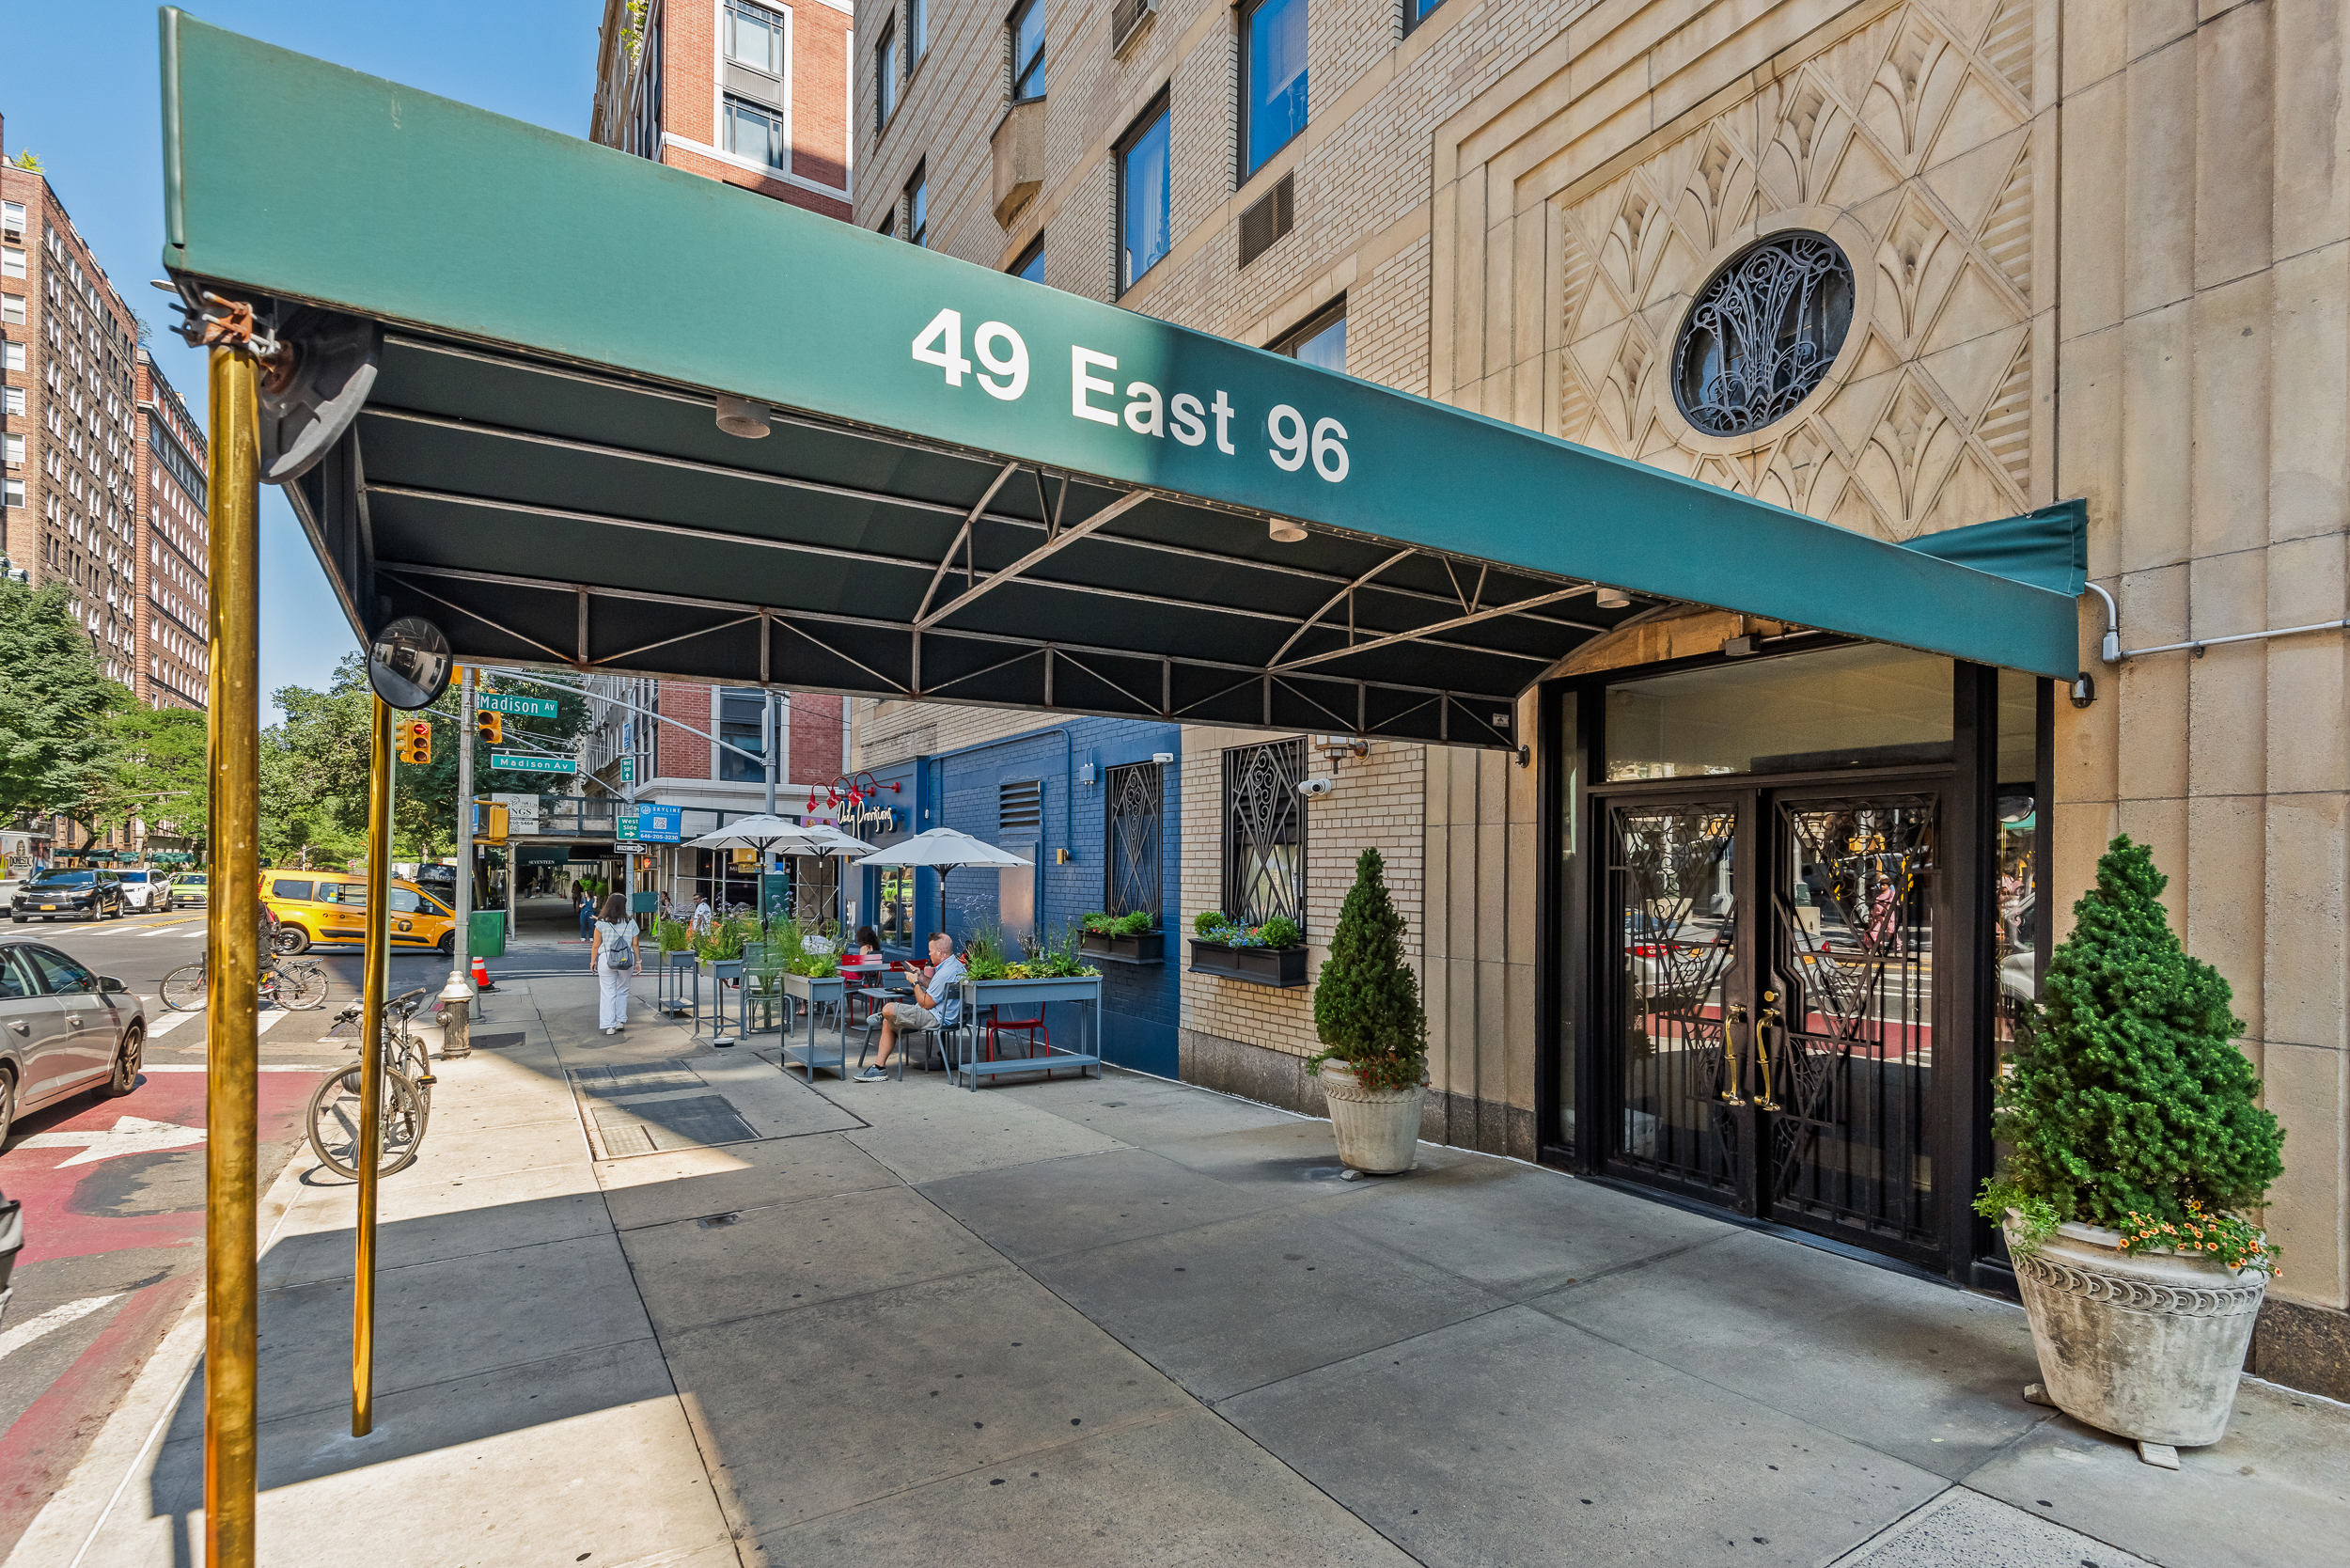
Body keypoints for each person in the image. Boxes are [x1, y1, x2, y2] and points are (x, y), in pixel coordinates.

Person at [856, 931, 963, 1081]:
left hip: (935, 1018)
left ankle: (883, 1015)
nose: (929, 954)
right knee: (888, 1022)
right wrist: (919, 976)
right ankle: (879, 1068)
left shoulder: (943, 974)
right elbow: (936, 988)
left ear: (940, 952)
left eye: (931, 951)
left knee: (888, 1008)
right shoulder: (956, 967)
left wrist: (914, 983)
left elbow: (925, 1003)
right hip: (948, 1016)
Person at [590, 893, 638, 1036]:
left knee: (607, 992)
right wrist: (639, 961)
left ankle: (609, 1025)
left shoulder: (601, 923)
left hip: (606, 959)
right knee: (622, 990)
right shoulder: (631, 922)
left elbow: (595, 945)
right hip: (626, 959)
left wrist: (593, 961)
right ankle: (620, 1021)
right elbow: (635, 944)